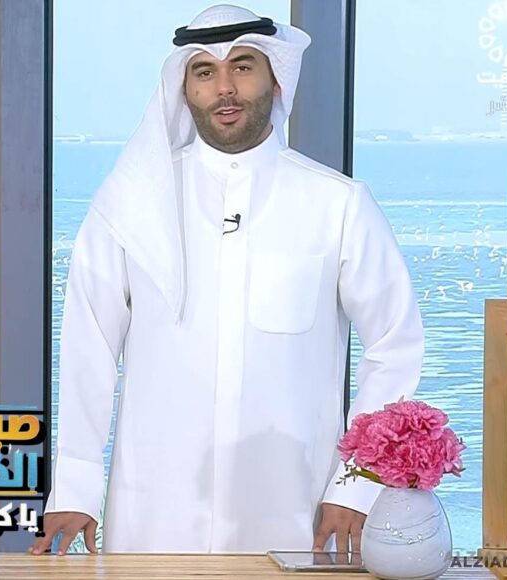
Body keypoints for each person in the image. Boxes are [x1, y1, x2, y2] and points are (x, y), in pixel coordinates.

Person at [31, 5, 424, 555]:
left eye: (242, 66)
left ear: (275, 79)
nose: (224, 89)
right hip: (153, 509)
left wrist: (355, 484)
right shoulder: (129, 206)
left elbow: (395, 347)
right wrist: (75, 488)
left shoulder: (337, 205)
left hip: (297, 507)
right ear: (184, 88)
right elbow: (87, 349)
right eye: (205, 71)